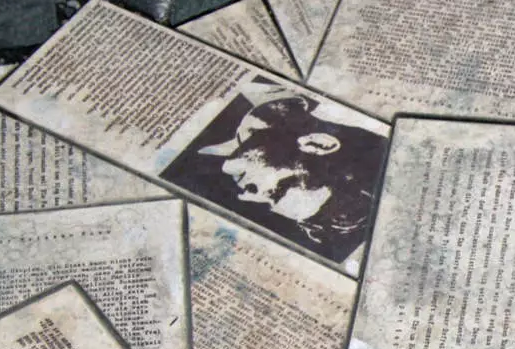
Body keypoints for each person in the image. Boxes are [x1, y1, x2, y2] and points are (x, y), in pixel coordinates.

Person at [165, 87, 385, 259]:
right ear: (316, 144)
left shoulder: (201, 155)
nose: (246, 194)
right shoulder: (272, 91)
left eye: (266, 201)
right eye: (279, 188)